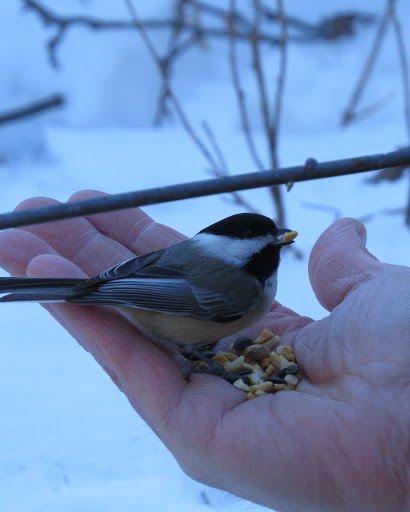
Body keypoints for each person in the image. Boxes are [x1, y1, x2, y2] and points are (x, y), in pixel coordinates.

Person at [0, 189, 408, 512]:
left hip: (133, 278)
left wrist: (104, 283)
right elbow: (166, 291)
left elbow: (147, 266)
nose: (273, 244)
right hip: (151, 301)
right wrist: (106, 292)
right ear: (228, 246)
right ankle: (195, 353)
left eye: (271, 240)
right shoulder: (244, 290)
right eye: (257, 241)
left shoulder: (242, 275)